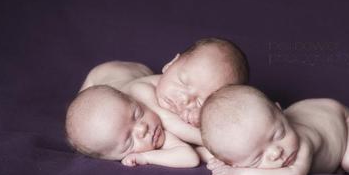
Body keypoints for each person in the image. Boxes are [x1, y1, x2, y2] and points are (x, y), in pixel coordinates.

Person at [79, 37, 249, 146]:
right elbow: (170, 123)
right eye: (182, 82)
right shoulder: (140, 92)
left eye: (199, 102)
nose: (184, 99)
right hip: (107, 75)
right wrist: (218, 145)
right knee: (82, 113)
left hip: (144, 74)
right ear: (170, 64)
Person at [200, 85, 349, 175]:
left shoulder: (304, 143)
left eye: (279, 134)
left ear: (279, 110)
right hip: (307, 111)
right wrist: (221, 164)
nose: (276, 152)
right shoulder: (254, 140)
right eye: (257, 157)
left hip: (339, 117)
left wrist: (241, 174)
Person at [65, 85, 200, 168]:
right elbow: (190, 158)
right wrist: (147, 158)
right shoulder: (158, 138)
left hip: (111, 72)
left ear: (135, 100)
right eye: (129, 141)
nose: (143, 129)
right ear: (110, 158)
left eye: (138, 114)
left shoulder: (142, 92)